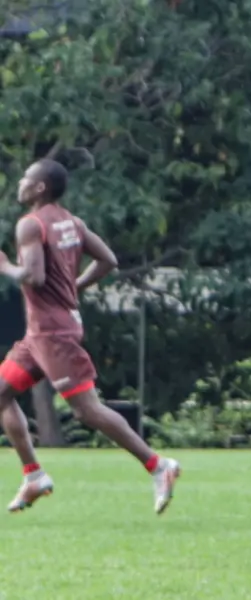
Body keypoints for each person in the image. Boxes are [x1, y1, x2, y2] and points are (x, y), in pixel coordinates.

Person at [0, 159, 181, 514]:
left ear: (40, 188)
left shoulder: (30, 225)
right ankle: (34, 475)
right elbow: (108, 259)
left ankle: (158, 465)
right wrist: (75, 286)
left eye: (26, 179)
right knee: (1, 394)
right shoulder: (72, 222)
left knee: (87, 411)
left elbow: (34, 277)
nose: (20, 183)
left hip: (54, 335)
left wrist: (6, 267)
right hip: (42, 334)